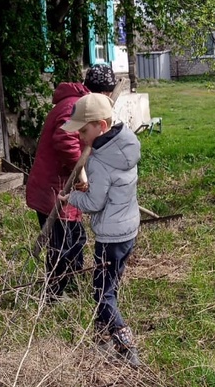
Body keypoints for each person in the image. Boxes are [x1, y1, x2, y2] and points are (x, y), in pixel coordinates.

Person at [61, 92, 142, 367]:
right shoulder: (125, 145)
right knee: (111, 285)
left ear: (101, 127)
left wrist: (70, 197)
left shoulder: (98, 161)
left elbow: (94, 203)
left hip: (110, 235)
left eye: (84, 130)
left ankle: (127, 346)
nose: (81, 137)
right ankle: (103, 340)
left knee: (101, 292)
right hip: (129, 229)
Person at [25, 65, 117, 297]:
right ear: (102, 93)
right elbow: (65, 141)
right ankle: (54, 294)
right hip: (54, 188)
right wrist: (82, 174)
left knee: (75, 237)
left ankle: (74, 284)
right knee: (62, 243)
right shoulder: (74, 106)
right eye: (107, 95)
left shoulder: (84, 104)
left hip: (64, 186)